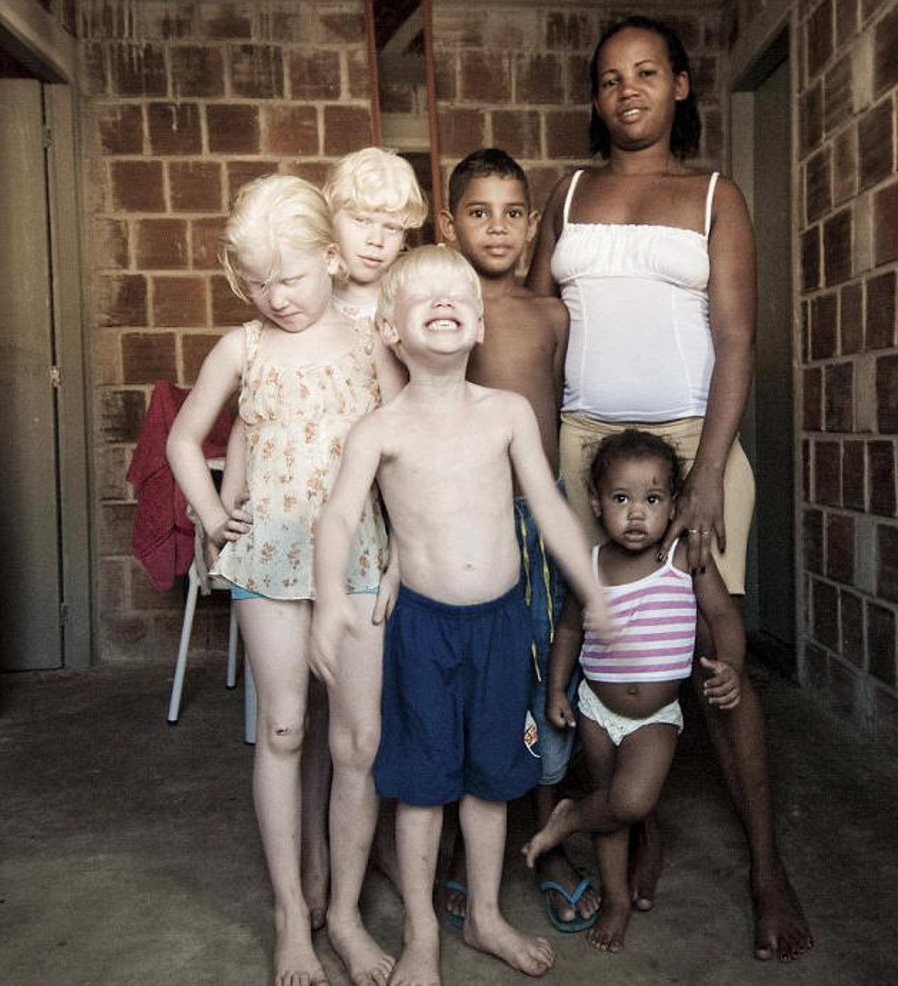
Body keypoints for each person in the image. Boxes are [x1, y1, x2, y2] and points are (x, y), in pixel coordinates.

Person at [525, 13, 813, 961]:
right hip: (580, 448)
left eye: (647, 72)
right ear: (596, 96)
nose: (628, 91)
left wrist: (703, 480)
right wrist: (520, 457)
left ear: (681, 86)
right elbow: (531, 327)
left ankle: (767, 869)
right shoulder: (564, 195)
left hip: (693, 443)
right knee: (597, 649)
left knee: (714, 658)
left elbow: (737, 340)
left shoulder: (714, 195)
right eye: (609, 79)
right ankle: (632, 826)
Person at [310, 245, 610, 985]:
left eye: (459, 297)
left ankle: (484, 913)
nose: (445, 303)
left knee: (491, 782)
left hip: (503, 627)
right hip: (421, 630)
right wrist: (325, 605)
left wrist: (594, 591)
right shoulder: (378, 431)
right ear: (390, 329)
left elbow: (548, 509)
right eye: (425, 297)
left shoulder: (506, 413)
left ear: (476, 326)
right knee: (422, 790)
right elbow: (339, 519)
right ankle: (421, 934)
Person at [167, 174, 404, 986]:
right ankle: (287, 915)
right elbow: (183, 438)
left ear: (332, 261)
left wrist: (406, 543)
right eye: (259, 282)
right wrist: (207, 512)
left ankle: (340, 912)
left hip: (361, 562)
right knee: (283, 729)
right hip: (269, 560)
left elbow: (404, 441)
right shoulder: (245, 347)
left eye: (292, 277)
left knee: (359, 740)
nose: (277, 298)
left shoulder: (370, 341)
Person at [217, 148, 427, 931]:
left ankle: (348, 882)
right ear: (332, 228)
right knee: (291, 725)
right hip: (281, 545)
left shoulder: (390, 312)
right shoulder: (292, 295)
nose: (375, 239)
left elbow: (412, 425)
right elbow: (257, 407)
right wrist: (231, 485)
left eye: (390, 227)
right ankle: (303, 877)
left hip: (362, 546)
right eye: (362, 220)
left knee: (357, 728)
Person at [436, 148, 598, 933]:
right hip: (462, 518)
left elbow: (555, 420)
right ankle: (472, 849)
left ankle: (545, 836)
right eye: (477, 211)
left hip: (538, 520)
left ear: (533, 226)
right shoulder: (441, 310)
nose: (496, 227)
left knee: (543, 674)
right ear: (447, 223)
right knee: (472, 677)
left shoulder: (551, 316)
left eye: (511, 212)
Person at [523, 429, 744, 953]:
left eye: (652, 499)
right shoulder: (593, 565)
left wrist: (731, 664)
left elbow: (721, 615)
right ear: (597, 505)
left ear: (674, 504)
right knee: (615, 815)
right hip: (597, 710)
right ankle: (616, 897)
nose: (637, 514)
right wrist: (557, 689)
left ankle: (569, 817)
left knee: (629, 799)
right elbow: (571, 631)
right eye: (622, 500)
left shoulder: (685, 558)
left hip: (655, 716)